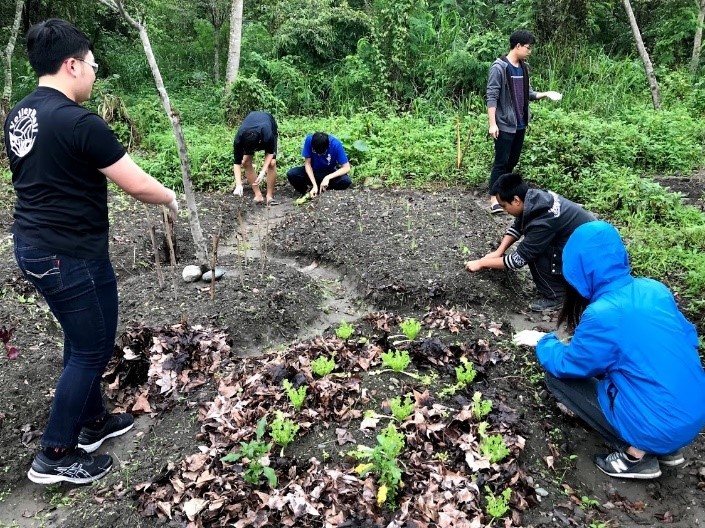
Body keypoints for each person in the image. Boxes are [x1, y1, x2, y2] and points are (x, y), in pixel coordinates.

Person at [4, 19, 179, 485]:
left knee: (83, 339)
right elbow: (137, 184)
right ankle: (55, 453)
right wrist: (169, 196)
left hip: (37, 245)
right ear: (72, 64)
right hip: (68, 254)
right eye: (93, 65)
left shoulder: (20, 115)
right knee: (91, 345)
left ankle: (93, 422)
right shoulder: (80, 121)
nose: (95, 74)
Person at [535, 221, 705, 479]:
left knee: (556, 378)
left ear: (577, 269)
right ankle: (668, 449)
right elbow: (689, 338)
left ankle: (636, 457)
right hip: (694, 413)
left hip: (657, 426)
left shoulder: (603, 313)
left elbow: (570, 365)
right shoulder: (654, 289)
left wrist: (544, 342)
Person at [465, 172, 594, 312]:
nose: (504, 210)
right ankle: (564, 284)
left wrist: (480, 263)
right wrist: (498, 252)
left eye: (504, 206)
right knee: (535, 245)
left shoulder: (544, 220)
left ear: (515, 200)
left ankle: (556, 297)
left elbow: (517, 260)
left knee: (534, 253)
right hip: (580, 243)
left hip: (588, 255)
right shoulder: (533, 197)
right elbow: (517, 227)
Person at [486, 29, 561, 213]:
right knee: (501, 162)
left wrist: (546, 94)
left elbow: (528, 93)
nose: (530, 51)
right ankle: (493, 198)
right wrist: (492, 123)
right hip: (504, 124)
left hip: (520, 122)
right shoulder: (500, 68)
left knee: (512, 161)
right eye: (528, 47)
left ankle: (504, 195)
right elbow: (492, 95)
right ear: (517, 46)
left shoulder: (523, 67)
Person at [232, 111, 278, 205]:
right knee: (245, 162)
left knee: (272, 163)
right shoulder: (239, 139)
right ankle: (258, 195)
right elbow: (237, 163)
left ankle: (269, 196)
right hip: (251, 126)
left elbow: (270, 153)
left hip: (269, 122)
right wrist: (238, 184)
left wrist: (262, 171)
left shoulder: (267, 134)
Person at [286, 132, 352, 197]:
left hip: (329, 172)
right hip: (313, 172)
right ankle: (307, 191)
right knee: (292, 174)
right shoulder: (309, 140)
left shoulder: (336, 144)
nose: (318, 155)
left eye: (322, 153)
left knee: (346, 181)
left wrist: (327, 178)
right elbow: (307, 164)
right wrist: (314, 184)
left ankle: (325, 191)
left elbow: (346, 168)